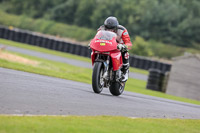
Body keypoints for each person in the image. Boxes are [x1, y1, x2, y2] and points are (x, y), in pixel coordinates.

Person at [98, 16, 132, 82]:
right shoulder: (101, 29)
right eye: (107, 28)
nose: (109, 30)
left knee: (125, 52)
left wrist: (125, 46)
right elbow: (97, 37)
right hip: (107, 45)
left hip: (119, 46)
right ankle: (103, 68)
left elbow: (128, 42)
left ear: (116, 27)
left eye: (112, 28)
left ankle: (125, 70)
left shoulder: (122, 30)